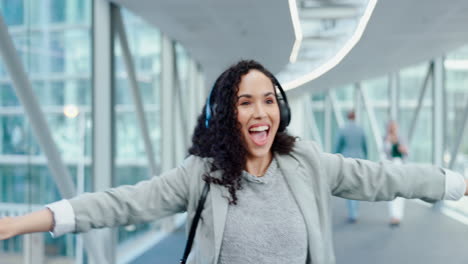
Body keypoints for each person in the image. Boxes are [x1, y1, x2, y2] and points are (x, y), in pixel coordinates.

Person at [0, 60, 467, 264]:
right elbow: (120, 204)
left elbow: (382, 179)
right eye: (246, 103)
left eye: (268, 101)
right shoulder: (201, 175)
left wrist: (457, 184)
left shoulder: (304, 161)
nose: (260, 112)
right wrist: (21, 224)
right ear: (228, 114)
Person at [334, 110, 368, 223]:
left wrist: (334, 159)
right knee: (357, 184)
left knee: (348, 185)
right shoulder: (361, 129)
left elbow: (337, 146)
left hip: (347, 159)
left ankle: (352, 213)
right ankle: (355, 211)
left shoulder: (343, 129)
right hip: (359, 159)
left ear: (347, 117)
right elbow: (365, 146)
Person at [383, 120, 409, 227]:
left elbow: (407, 152)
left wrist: (402, 149)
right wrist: (388, 142)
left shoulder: (401, 138)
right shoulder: (385, 138)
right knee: (391, 190)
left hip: (400, 165)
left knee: (400, 191)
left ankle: (398, 215)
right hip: (390, 165)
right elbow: (384, 151)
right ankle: (394, 215)